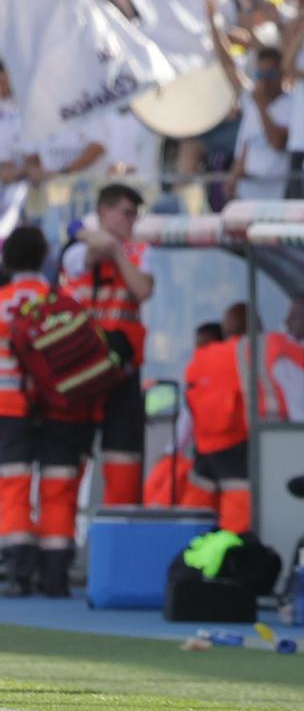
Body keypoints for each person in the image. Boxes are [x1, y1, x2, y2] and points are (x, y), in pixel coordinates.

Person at [0, 226, 90, 596]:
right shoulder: (62, 298)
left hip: (9, 406)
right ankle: (55, 575)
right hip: (59, 407)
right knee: (58, 487)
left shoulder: (3, 300)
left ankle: (19, 572)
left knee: (14, 486)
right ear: (45, 258)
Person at [57, 183, 152, 507]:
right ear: (104, 212)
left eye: (135, 215)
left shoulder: (139, 251)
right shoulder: (76, 249)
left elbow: (141, 289)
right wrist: (102, 242)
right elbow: (82, 257)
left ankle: (118, 532)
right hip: (82, 366)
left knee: (123, 459)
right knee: (70, 459)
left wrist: (116, 250)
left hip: (122, 368)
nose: (131, 221)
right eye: (126, 213)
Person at [180, 319, 254, 533]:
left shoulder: (197, 366)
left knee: (194, 524)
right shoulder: (243, 360)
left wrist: (172, 450)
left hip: (205, 451)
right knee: (235, 527)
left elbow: (187, 421)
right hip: (237, 448)